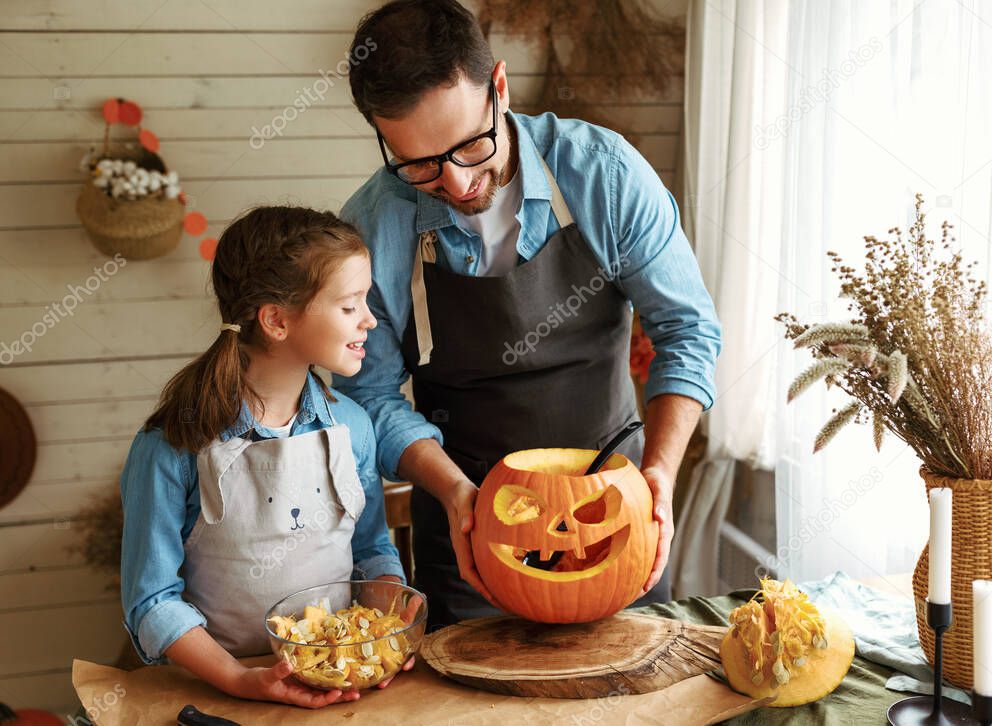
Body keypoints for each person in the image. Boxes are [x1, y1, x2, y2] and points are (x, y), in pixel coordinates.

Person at [335, 0, 722, 630]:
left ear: (500, 88)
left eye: (469, 146)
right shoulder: (374, 226)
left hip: (612, 514)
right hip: (471, 528)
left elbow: (688, 331)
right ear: (383, 137)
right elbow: (370, 394)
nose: (457, 184)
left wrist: (659, 474)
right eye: (421, 165)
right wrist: (459, 495)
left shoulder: (607, 174)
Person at [119, 206, 410, 708]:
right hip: (220, 693)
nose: (370, 319)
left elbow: (371, 552)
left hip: (342, 687)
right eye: (349, 305)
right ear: (276, 319)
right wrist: (238, 680)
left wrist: (386, 629)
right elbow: (152, 601)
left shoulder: (353, 428)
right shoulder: (172, 447)